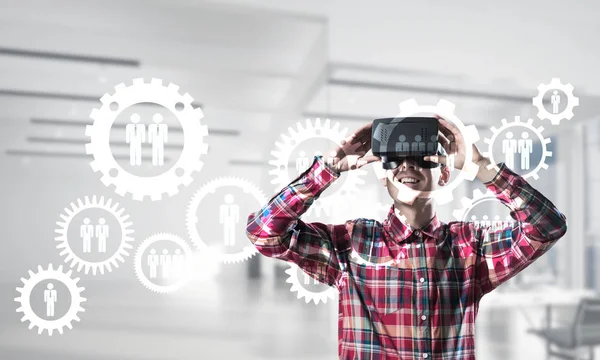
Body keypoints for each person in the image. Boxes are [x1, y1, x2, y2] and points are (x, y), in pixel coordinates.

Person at [246, 117, 567, 360]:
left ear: (442, 174)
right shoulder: (350, 244)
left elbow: (547, 228)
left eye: (421, 158)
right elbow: (264, 233)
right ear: (384, 176)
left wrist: (482, 168)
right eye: (396, 160)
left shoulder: (472, 247)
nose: (407, 166)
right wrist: (327, 169)